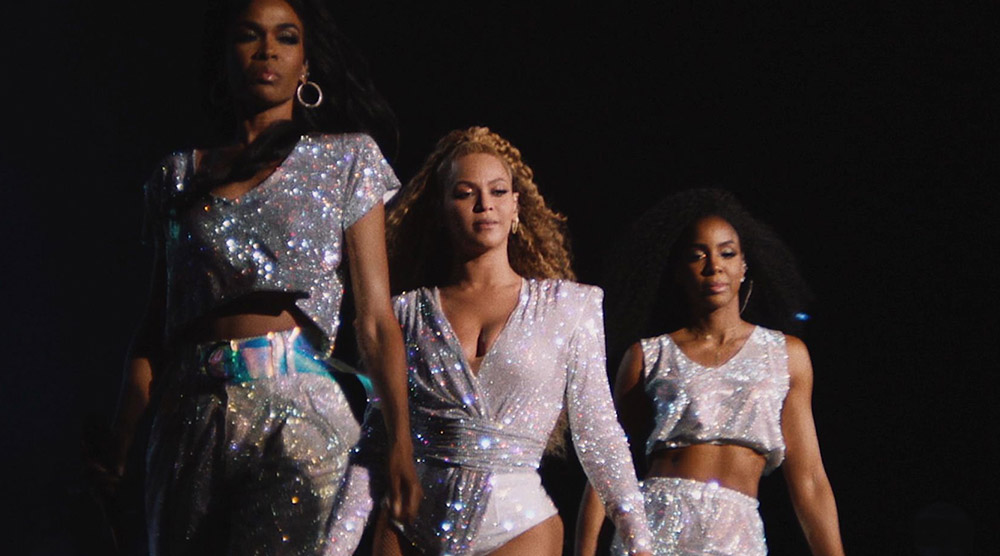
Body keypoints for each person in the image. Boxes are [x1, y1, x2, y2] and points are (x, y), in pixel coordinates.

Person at [105, 0, 420, 553]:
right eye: (249, 36)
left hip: (297, 409)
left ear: (306, 64)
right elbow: (155, 326)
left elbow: (375, 319)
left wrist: (400, 443)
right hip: (189, 412)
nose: (268, 50)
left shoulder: (346, 159)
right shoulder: (178, 175)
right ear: (225, 57)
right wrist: (122, 437)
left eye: (286, 37)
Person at [353, 127, 653, 555]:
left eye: (497, 191)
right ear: (440, 210)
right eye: (465, 193)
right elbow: (375, 442)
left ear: (516, 207)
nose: (484, 204)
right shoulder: (405, 314)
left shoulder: (569, 307)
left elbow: (599, 433)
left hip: (518, 527)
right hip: (409, 525)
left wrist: (638, 540)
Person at [576, 189, 844, 555]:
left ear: (744, 265)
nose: (714, 265)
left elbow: (810, 481)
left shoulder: (786, 355)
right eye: (696, 255)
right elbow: (607, 468)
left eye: (727, 253)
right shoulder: (648, 356)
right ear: (678, 270)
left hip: (737, 536)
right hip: (656, 528)